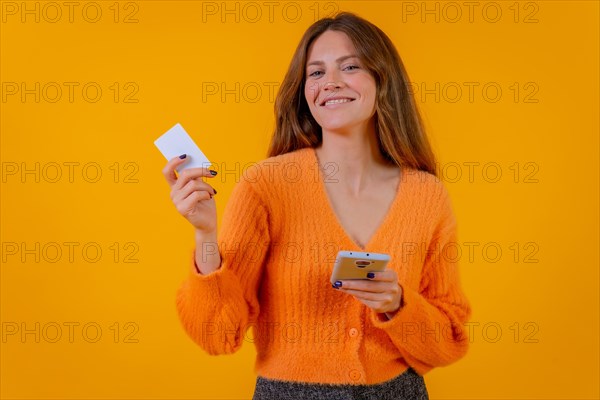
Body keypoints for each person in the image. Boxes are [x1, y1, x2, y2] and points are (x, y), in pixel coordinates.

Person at [162, 11, 472, 400]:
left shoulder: (427, 195)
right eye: (317, 73)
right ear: (304, 91)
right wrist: (205, 232)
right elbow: (217, 335)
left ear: (383, 80)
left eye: (351, 66)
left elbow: (450, 341)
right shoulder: (266, 185)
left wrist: (399, 304)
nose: (331, 83)